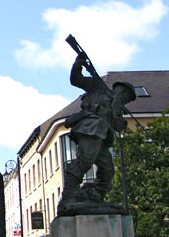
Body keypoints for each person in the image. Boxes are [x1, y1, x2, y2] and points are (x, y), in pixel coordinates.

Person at [58, 55, 136, 214]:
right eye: (127, 98)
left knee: (107, 169)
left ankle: (95, 197)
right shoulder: (98, 88)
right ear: (121, 90)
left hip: (101, 137)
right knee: (85, 161)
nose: (126, 101)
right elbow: (76, 80)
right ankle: (68, 198)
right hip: (89, 128)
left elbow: (119, 126)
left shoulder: (117, 107)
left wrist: (116, 112)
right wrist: (78, 64)